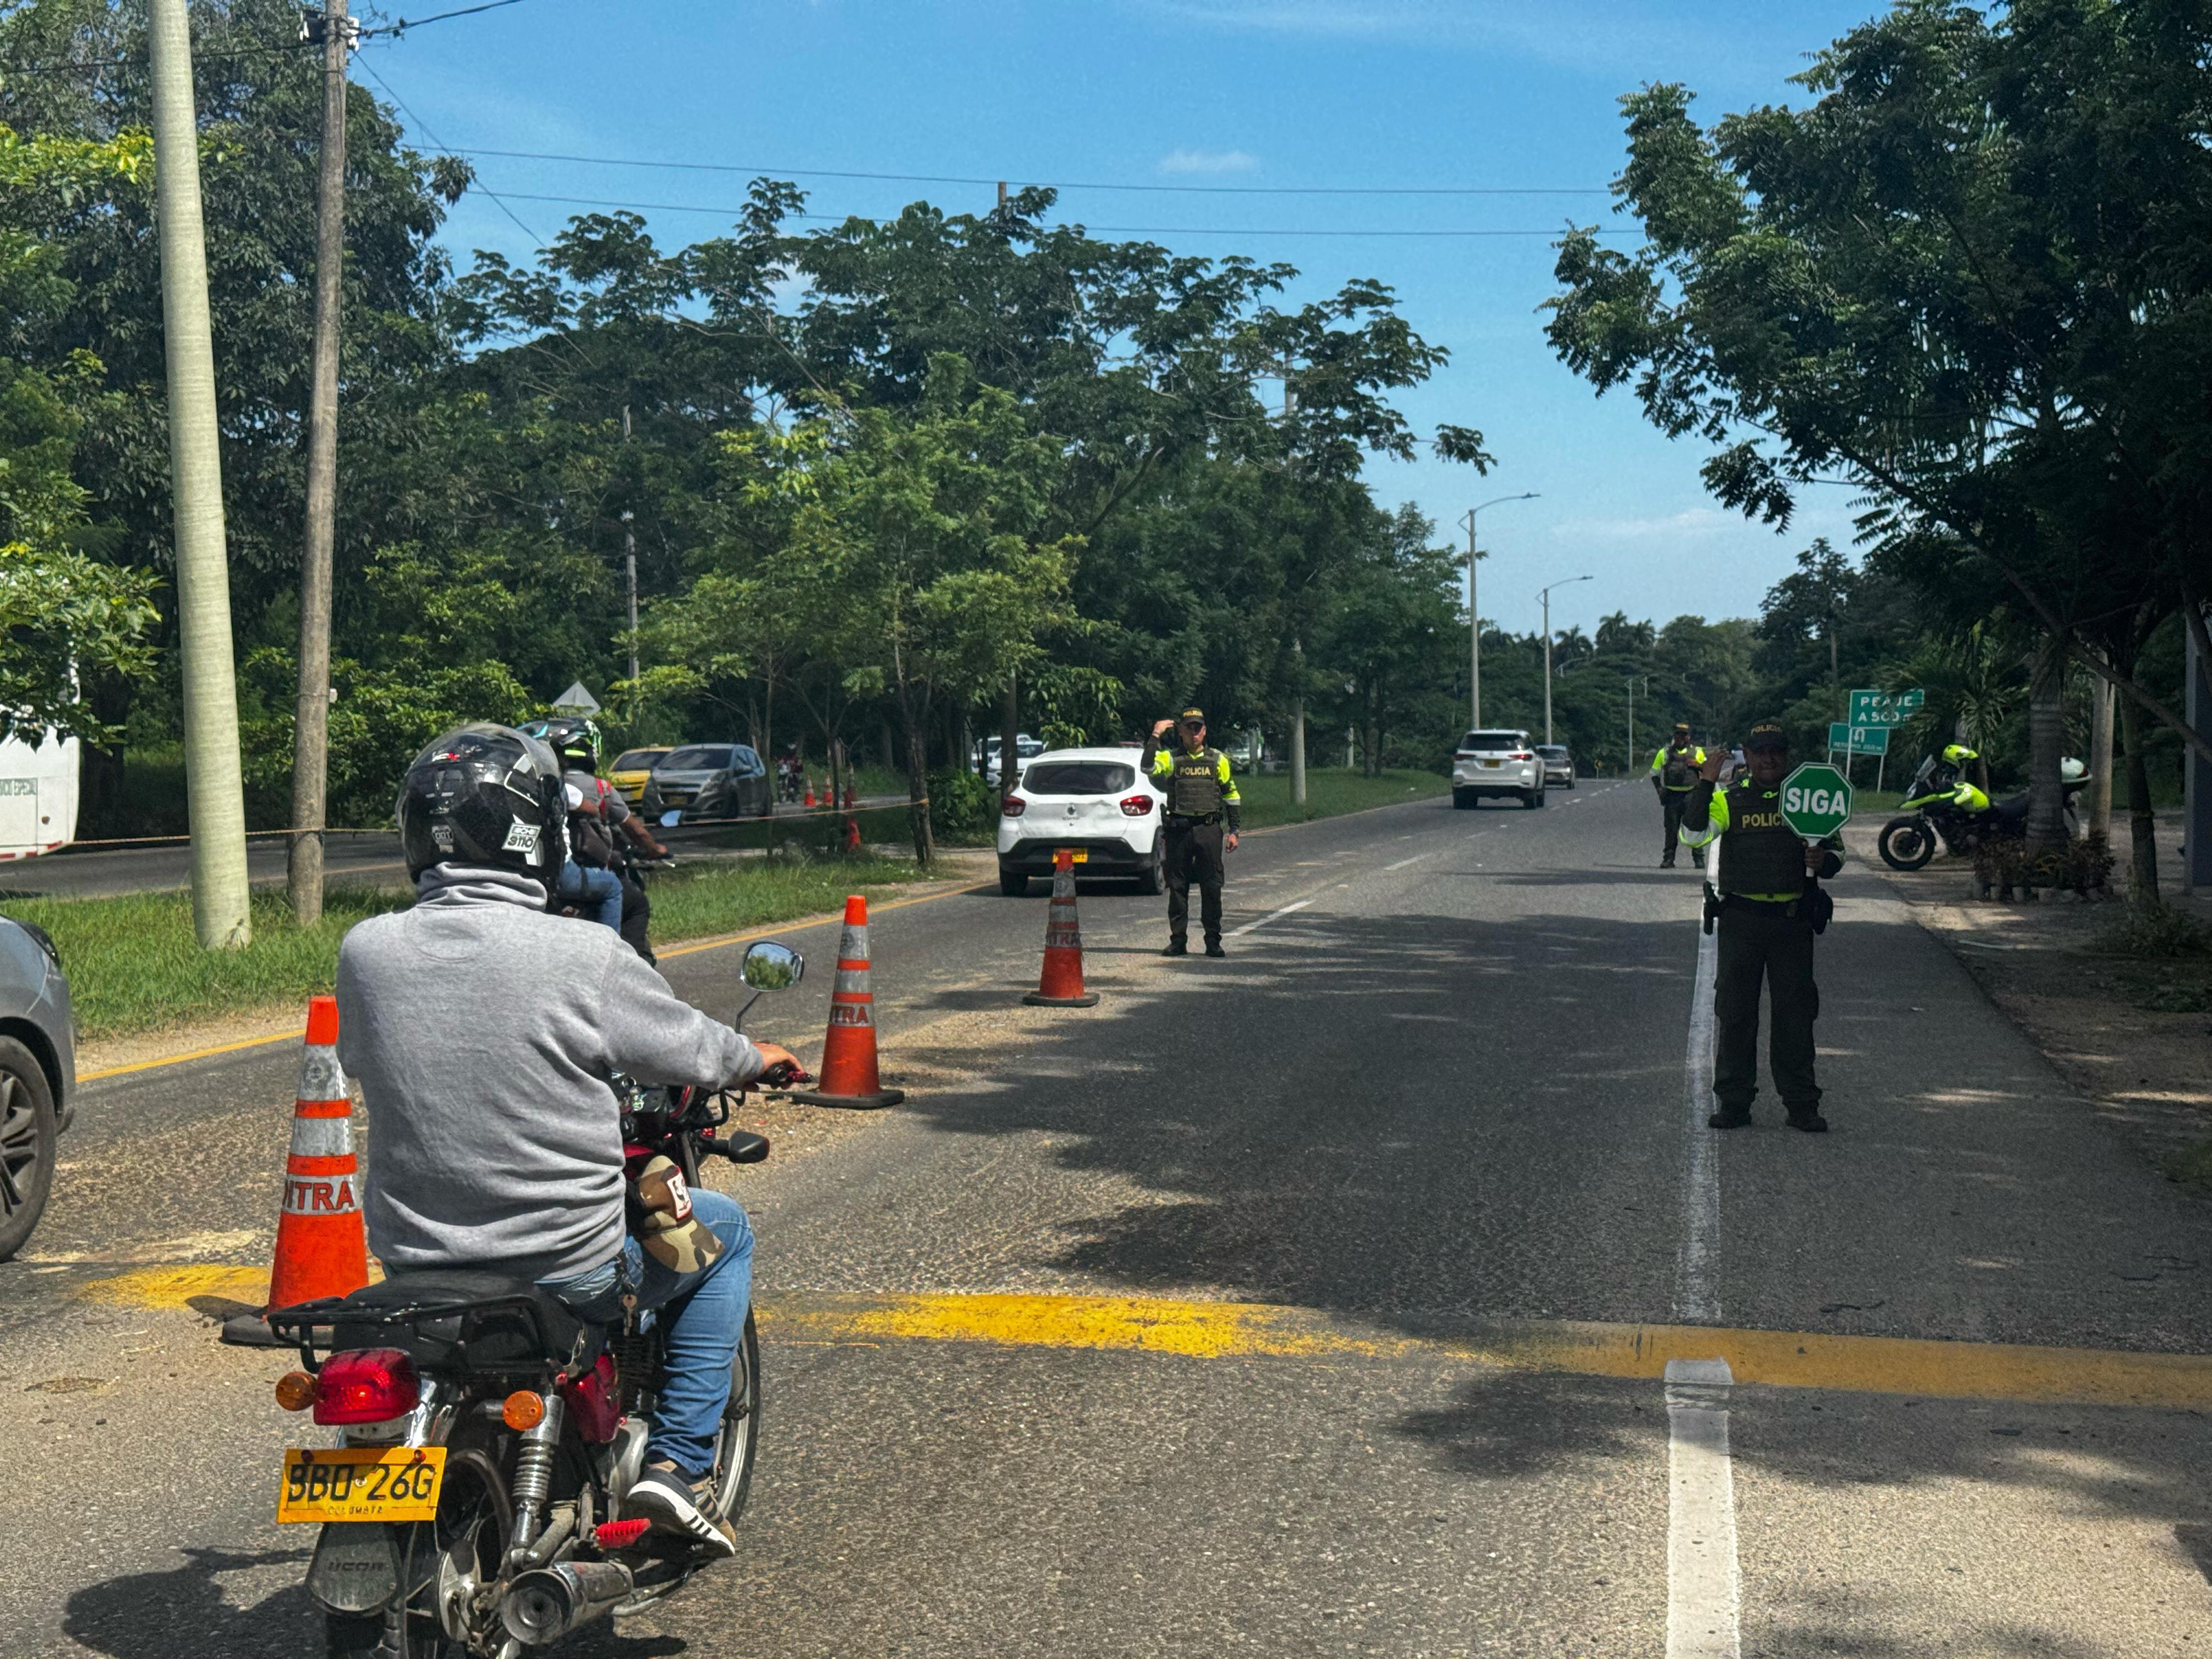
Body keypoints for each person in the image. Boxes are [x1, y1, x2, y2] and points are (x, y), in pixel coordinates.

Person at [337, 723, 802, 1555]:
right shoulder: (584, 954)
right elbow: (693, 1047)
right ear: (540, 834)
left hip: (418, 1266)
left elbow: (370, 1057)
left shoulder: (366, 952)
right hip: (561, 1267)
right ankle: (677, 1465)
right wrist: (755, 1059)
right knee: (724, 1232)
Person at [1677, 720, 1844, 1132]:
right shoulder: (1728, 800)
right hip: (1741, 921)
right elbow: (1693, 835)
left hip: (1792, 923)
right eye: (1760, 751)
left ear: (1785, 756)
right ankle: (1734, 1102)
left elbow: (1837, 854)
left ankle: (1802, 1104)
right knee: (1736, 1015)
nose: (1768, 758)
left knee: (1796, 1018)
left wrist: (1825, 862)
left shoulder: (1809, 798)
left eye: (1776, 751)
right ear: (1746, 758)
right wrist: (1706, 783)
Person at [541, 717, 669, 962]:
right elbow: (637, 832)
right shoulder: (601, 789)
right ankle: (616, 960)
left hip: (546, 875)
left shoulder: (543, 785)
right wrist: (655, 849)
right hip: (581, 875)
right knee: (634, 901)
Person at [1142, 707, 1242, 957]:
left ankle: (1213, 941)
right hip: (1179, 831)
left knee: (1212, 887)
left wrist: (1235, 831)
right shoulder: (1170, 758)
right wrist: (1155, 735)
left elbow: (1231, 795)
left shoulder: (1218, 760)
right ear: (1181, 731)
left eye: (1198, 728)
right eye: (1189, 727)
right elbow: (1146, 768)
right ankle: (1178, 941)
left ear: (1205, 731)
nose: (1194, 732)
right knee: (1177, 887)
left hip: (1208, 830)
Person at [1651, 722, 1707, 869]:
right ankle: (1668, 859)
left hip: (1691, 795)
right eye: (1678, 734)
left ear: (1689, 737)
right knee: (1671, 829)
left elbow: (1709, 771)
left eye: (1684, 735)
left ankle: (1699, 858)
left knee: (1695, 828)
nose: (1680, 737)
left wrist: (1698, 765)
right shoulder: (1664, 753)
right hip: (1672, 796)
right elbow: (1654, 773)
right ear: (1674, 736)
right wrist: (1660, 790)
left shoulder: (1698, 752)